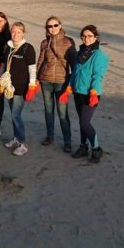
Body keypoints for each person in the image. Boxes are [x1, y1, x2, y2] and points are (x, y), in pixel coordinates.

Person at [59, 25, 109, 164]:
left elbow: (97, 76)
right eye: (83, 36)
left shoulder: (100, 56)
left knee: (85, 122)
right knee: (82, 122)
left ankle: (97, 148)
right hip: (78, 92)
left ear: (95, 37)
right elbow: (75, 73)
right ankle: (83, 147)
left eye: (89, 36)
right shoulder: (80, 53)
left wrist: (94, 92)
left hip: (90, 94)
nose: (86, 39)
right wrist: (68, 89)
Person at [36, 16, 77, 152]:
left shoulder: (68, 42)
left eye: (54, 25)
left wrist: (71, 82)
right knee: (48, 110)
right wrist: (36, 78)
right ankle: (50, 136)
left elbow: (73, 64)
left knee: (62, 112)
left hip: (61, 82)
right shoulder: (44, 43)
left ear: (60, 26)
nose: (52, 28)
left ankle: (67, 140)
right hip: (45, 80)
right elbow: (40, 61)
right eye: (49, 26)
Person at [0, 22, 37, 156]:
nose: (15, 35)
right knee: (13, 114)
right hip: (9, 87)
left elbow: (32, 69)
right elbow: (3, 65)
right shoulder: (8, 47)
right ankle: (15, 138)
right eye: (13, 32)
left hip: (21, 89)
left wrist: (32, 87)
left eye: (18, 32)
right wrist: (0, 81)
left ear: (23, 33)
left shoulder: (28, 48)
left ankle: (23, 143)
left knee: (16, 115)